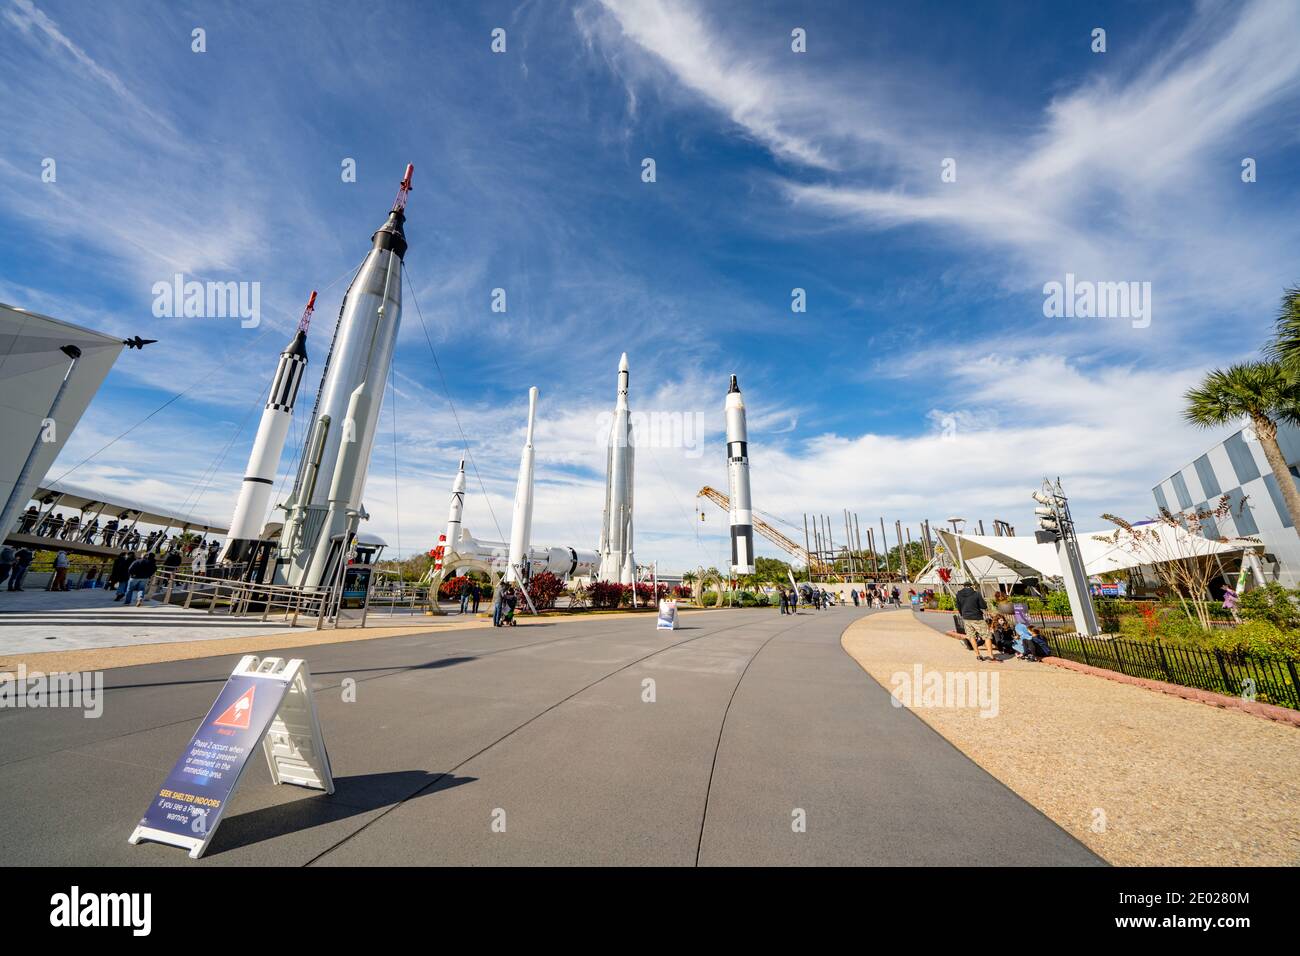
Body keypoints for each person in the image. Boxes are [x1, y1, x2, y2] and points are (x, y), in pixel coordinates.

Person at [955, 581, 992, 661]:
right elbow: (983, 606)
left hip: (966, 618)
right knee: (987, 636)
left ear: (964, 586)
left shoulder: (958, 594)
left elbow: (958, 606)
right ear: (971, 586)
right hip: (977, 617)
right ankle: (990, 656)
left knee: (971, 636)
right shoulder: (976, 594)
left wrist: (963, 614)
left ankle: (978, 655)